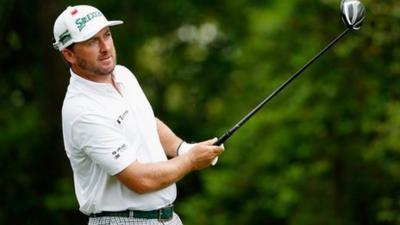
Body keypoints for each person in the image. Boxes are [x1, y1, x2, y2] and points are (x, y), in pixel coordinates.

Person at [52, 5, 224, 225]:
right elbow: (139, 179)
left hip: (167, 218)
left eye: (107, 35)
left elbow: (145, 121)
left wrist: (184, 148)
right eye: (91, 41)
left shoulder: (122, 74)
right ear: (69, 54)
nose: (105, 47)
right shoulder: (82, 110)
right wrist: (190, 160)